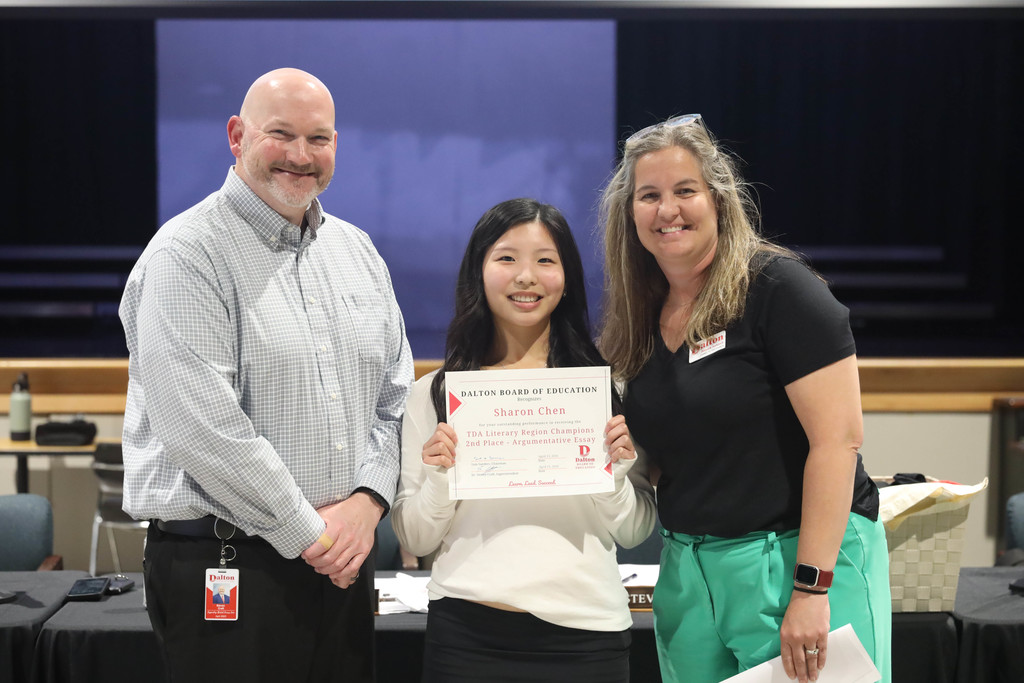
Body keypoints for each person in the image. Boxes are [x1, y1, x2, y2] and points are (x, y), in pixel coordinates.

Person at [119, 68, 413, 682]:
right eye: (281, 134)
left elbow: (395, 396)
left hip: (342, 565)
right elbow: (203, 428)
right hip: (225, 565)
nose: (301, 157)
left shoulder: (359, 252)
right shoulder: (187, 254)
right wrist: (315, 535)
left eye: (320, 139)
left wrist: (367, 502)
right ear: (236, 135)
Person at [598, 114, 891, 683]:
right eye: (649, 195)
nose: (667, 210)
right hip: (688, 574)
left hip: (794, 564)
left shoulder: (778, 289)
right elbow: (674, 458)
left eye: (686, 191)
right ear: (629, 213)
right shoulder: (636, 320)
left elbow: (838, 441)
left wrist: (811, 590)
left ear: (719, 199)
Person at [392, 198, 657, 682]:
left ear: (567, 276)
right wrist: (439, 477)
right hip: (467, 635)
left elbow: (635, 531)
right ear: (479, 270)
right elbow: (415, 537)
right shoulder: (432, 396)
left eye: (545, 260)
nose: (526, 276)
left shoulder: (608, 391)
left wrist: (613, 477)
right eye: (507, 258)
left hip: (588, 637)